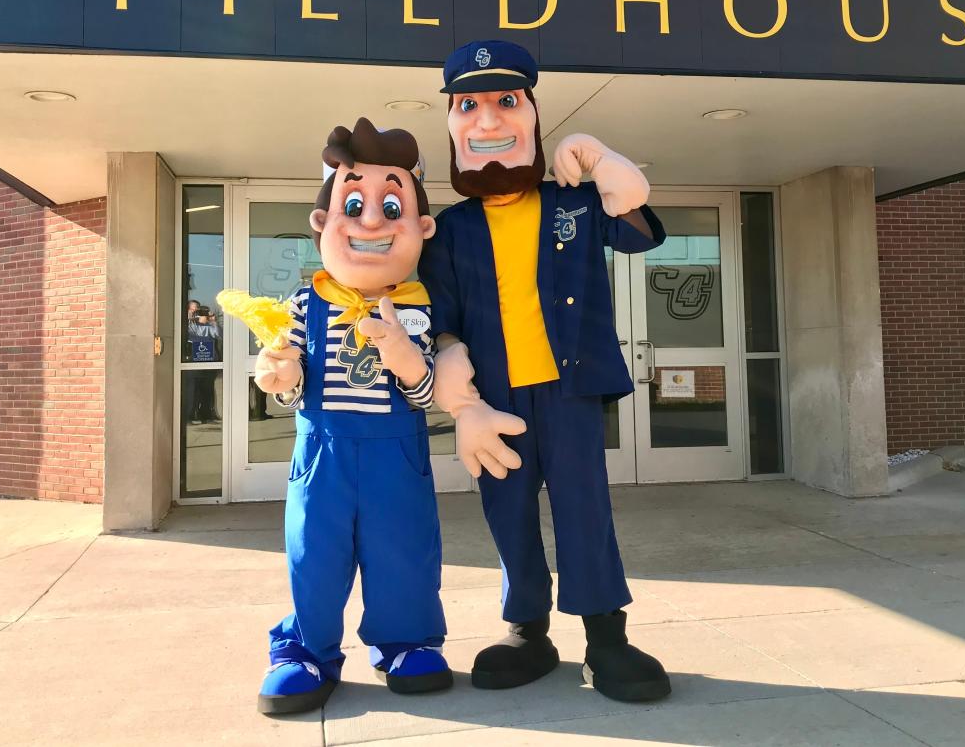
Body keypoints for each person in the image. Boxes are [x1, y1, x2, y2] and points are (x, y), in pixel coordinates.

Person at [420, 40, 671, 703]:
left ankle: (605, 634)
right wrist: (450, 362)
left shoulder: (574, 205)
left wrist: (600, 157)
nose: (489, 118)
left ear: (532, 113)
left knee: (584, 509)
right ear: (451, 122)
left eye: (507, 101)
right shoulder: (450, 228)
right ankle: (527, 627)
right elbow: (439, 313)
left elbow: (642, 231)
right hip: (494, 400)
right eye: (469, 104)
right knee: (507, 513)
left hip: (570, 390)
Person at [251, 119, 451, 714]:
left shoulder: (416, 308)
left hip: (397, 453)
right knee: (315, 552)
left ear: (422, 227)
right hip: (323, 453)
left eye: (392, 205)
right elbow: (288, 382)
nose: (371, 221)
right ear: (322, 224)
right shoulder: (302, 302)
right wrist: (280, 380)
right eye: (354, 204)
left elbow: (428, 394)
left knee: (404, 551)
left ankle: (406, 641)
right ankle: (307, 651)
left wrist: (405, 360)